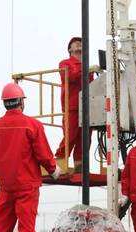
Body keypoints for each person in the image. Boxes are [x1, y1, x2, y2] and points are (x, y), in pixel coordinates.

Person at [0, 82, 61, 232]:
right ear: (21, 101)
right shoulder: (32, 125)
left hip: (5, 186)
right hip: (27, 185)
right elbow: (43, 154)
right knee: (26, 226)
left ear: (5, 103)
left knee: (2, 226)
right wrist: (54, 171)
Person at [54, 37, 97, 172]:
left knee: (85, 139)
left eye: (81, 43)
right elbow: (70, 77)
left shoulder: (87, 66)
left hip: (86, 107)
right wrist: (86, 70)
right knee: (70, 136)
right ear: (69, 49)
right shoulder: (65, 63)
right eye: (75, 43)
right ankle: (58, 163)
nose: (79, 44)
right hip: (72, 106)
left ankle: (80, 167)